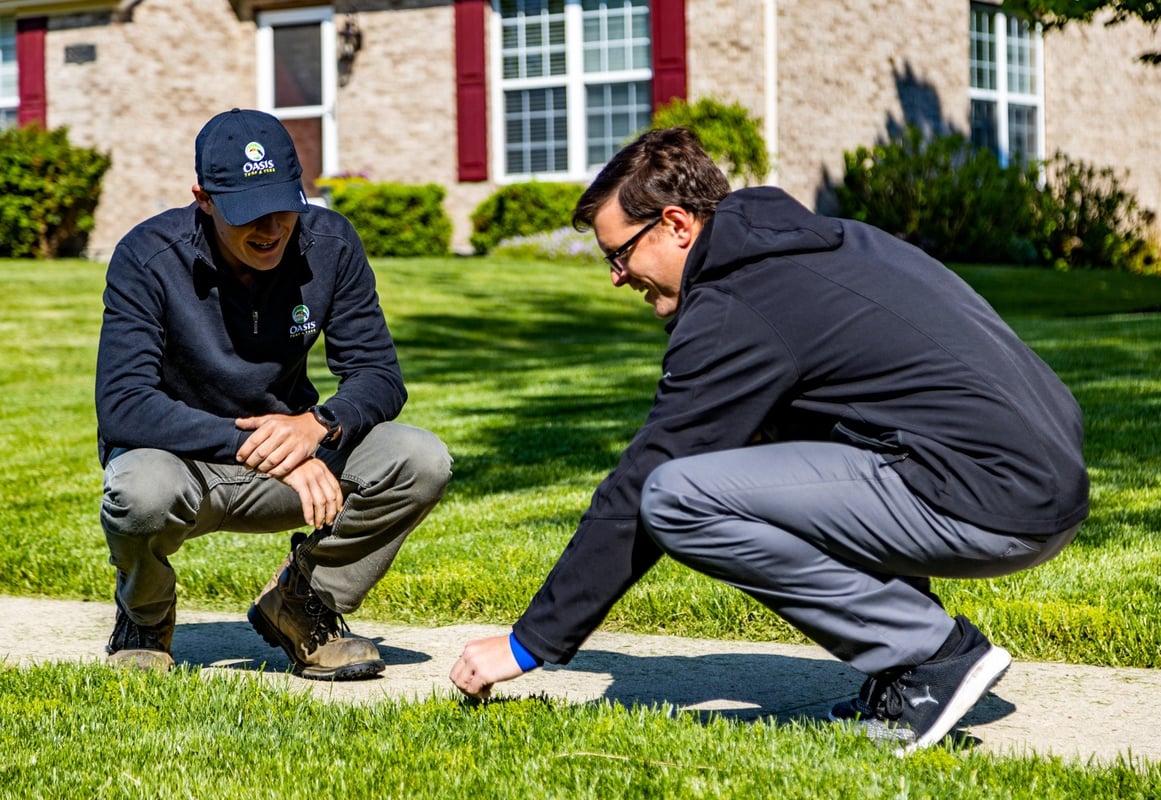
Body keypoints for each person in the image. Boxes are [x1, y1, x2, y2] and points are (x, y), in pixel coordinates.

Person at [450, 127, 1088, 750]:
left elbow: (646, 478)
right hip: (1035, 484)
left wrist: (528, 643)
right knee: (750, 445)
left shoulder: (738, 301)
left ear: (677, 225)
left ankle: (931, 658)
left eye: (619, 254)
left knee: (677, 496)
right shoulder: (824, 248)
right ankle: (905, 664)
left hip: (991, 499)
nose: (617, 276)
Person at [96, 108, 452, 680]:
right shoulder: (146, 257)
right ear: (204, 199)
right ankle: (145, 618)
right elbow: (123, 404)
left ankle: (301, 602)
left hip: (298, 454)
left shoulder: (332, 245)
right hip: (184, 466)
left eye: (283, 207)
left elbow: (379, 375)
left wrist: (319, 426)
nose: (270, 229)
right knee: (139, 490)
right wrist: (264, 447)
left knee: (419, 458)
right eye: (247, 214)